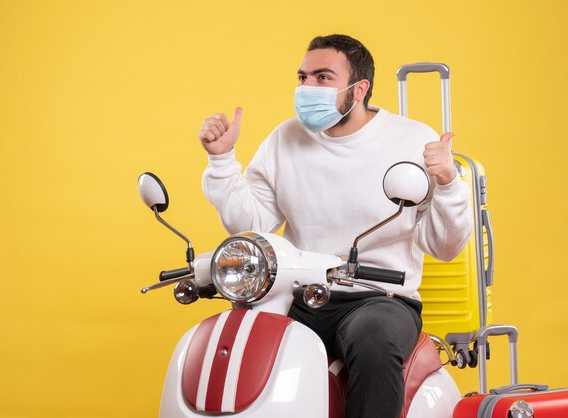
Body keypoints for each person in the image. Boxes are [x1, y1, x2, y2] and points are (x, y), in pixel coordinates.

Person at [197, 34, 472, 418]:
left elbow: (445, 247)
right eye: (303, 77)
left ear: (359, 89)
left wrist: (447, 183)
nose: (307, 87)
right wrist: (223, 161)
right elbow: (252, 224)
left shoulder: (412, 140)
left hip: (379, 297)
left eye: (323, 77)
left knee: (372, 338)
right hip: (299, 292)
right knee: (240, 339)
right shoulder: (285, 138)